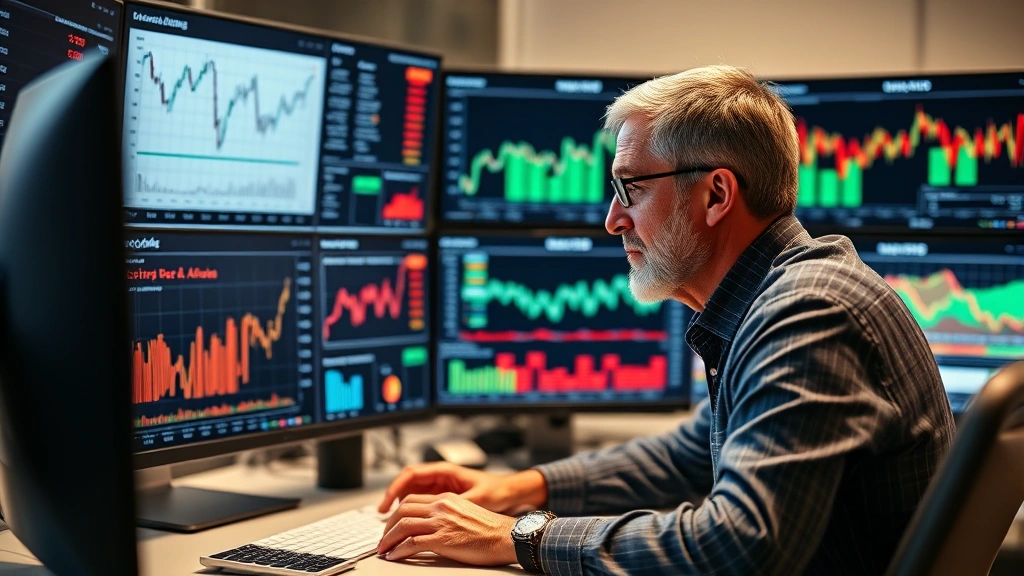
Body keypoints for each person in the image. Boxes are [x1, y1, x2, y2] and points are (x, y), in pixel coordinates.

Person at [375, 65, 956, 574]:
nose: (612, 220)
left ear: (716, 195)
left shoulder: (808, 312)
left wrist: (518, 536)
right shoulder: (784, 291)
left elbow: (738, 546)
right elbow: (690, 450)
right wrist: (521, 488)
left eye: (630, 188)